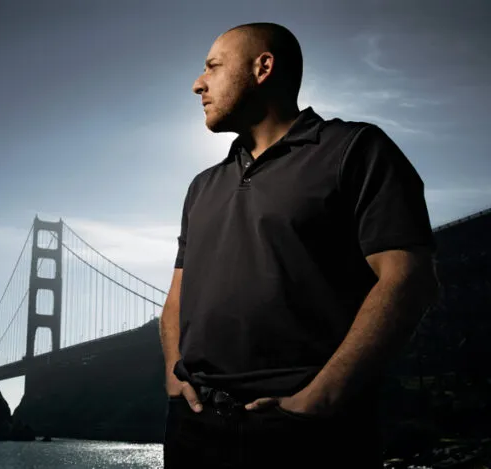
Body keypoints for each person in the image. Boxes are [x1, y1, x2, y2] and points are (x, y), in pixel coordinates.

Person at [159, 22, 440, 468]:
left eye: (213, 66)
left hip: (305, 432)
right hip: (194, 427)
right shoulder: (201, 186)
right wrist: (176, 381)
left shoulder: (355, 150)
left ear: (263, 67)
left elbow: (409, 278)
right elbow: (177, 297)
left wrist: (322, 397)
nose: (198, 83)